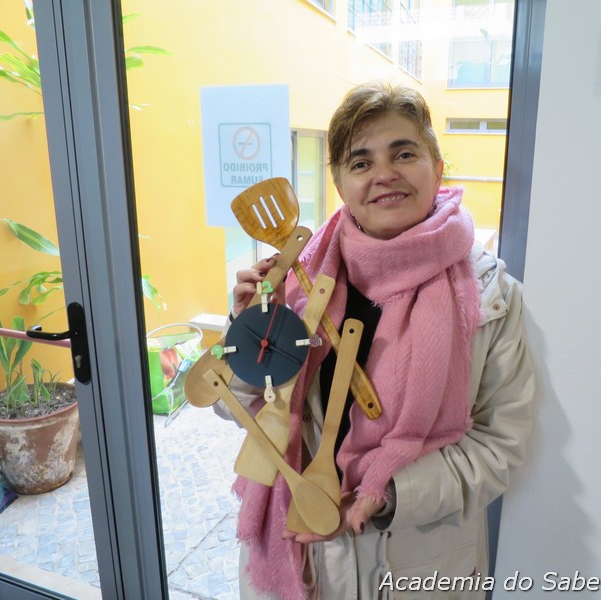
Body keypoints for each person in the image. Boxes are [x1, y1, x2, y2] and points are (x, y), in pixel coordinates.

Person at [214, 81, 535, 599]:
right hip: (301, 560)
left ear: (437, 168)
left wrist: (389, 496)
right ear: (341, 186)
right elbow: (238, 408)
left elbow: (501, 445)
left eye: (403, 153)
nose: (384, 174)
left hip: (418, 567)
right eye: (361, 162)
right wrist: (246, 334)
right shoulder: (295, 279)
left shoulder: (490, 295)